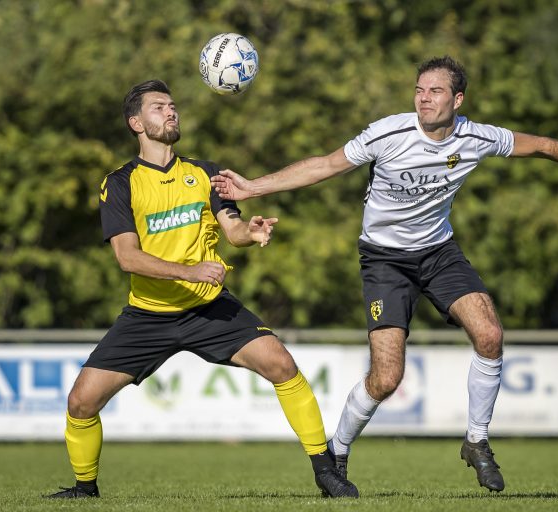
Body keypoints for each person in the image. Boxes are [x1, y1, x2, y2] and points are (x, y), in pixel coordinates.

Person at [210, 56, 558, 493]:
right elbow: (325, 165)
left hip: (438, 253)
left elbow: (543, 145)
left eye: (435, 91)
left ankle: (477, 440)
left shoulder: (477, 137)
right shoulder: (389, 132)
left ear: (458, 98)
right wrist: (253, 187)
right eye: (419, 90)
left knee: (489, 334)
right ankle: (338, 448)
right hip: (384, 260)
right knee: (386, 378)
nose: (424, 99)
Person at [45, 80, 358, 499]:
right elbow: (127, 257)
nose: (171, 112)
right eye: (159, 107)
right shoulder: (119, 184)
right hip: (148, 315)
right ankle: (85, 489)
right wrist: (188, 271)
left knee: (281, 363)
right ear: (135, 122)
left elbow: (232, 229)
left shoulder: (206, 173)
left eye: (173, 106)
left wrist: (251, 230)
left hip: (209, 309)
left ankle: (326, 471)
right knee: (80, 403)